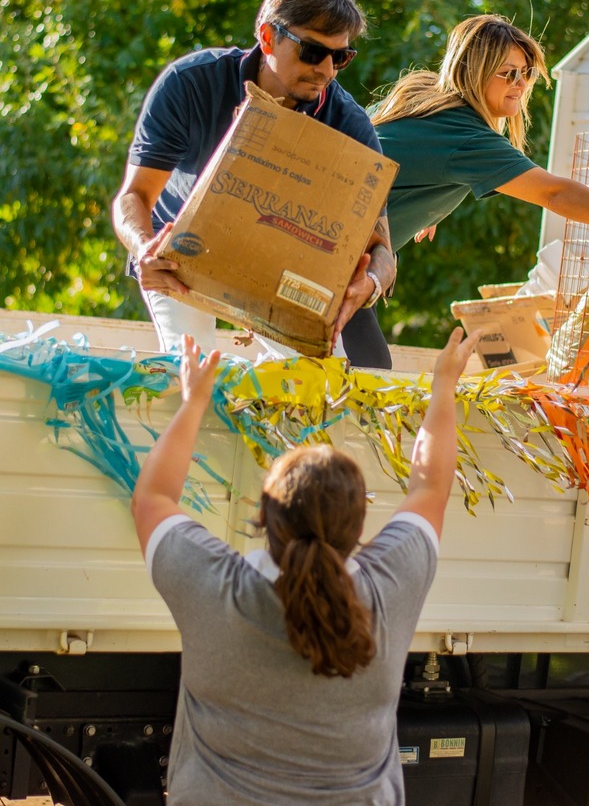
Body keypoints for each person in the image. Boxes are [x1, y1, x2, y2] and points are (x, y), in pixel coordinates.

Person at [130, 326, 480, 805]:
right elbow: (430, 488)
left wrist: (194, 402)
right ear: (359, 532)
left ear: (262, 518)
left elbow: (152, 497)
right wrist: (444, 385)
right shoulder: (386, 590)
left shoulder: (214, 588)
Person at [112, 0, 396, 368]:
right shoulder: (190, 84)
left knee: (334, 379)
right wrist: (143, 248)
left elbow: (382, 249)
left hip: (285, 263)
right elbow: (134, 197)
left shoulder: (348, 123)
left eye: (341, 57)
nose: (327, 71)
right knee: (193, 370)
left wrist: (369, 284)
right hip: (181, 256)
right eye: (313, 52)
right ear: (267, 38)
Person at [370, 14, 589, 252]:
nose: (521, 84)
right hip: (338, 257)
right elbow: (554, 193)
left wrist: (428, 204)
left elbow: (401, 152)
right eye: (508, 73)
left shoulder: (420, 95)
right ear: (471, 72)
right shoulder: (465, 136)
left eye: (527, 72)